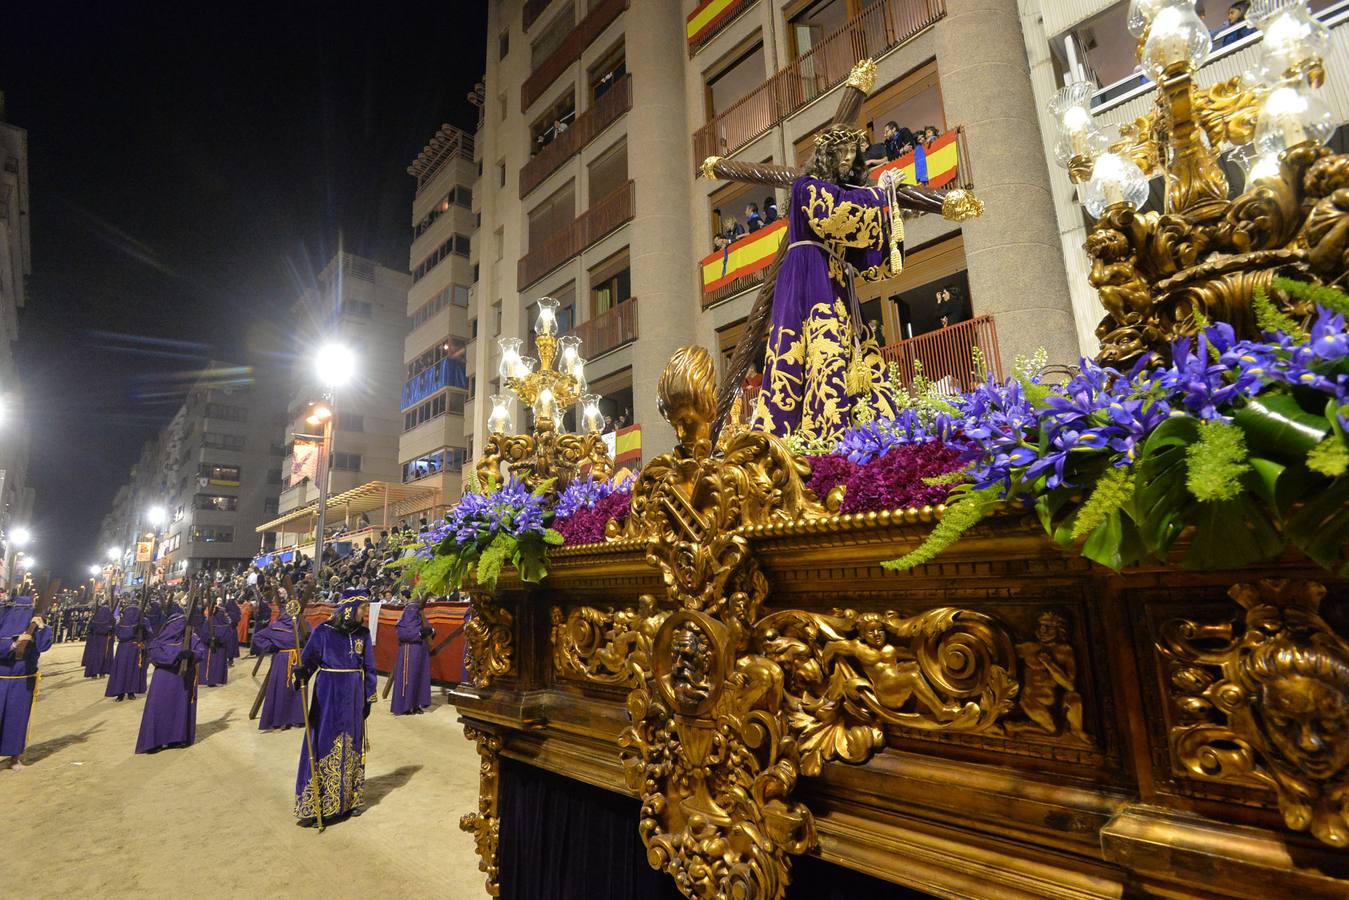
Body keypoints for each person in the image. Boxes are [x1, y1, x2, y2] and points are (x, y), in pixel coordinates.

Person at [751, 124, 902, 441]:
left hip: (836, 282)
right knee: (823, 348)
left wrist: (888, 209)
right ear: (826, 156)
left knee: (852, 349)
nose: (848, 158)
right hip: (808, 277)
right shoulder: (806, 187)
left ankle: (873, 432)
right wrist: (880, 191)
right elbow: (835, 213)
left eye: (853, 153)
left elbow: (866, 258)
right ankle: (819, 432)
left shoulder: (847, 195)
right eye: (842, 152)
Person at [291, 598, 377, 826]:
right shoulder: (323, 631)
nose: (365, 612)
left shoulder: (363, 634)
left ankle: (350, 800)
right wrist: (300, 673)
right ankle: (317, 804)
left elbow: (369, 667)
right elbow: (308, 661)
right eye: (362, 607)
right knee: (322, 741)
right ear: (349, 609)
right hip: (328, 692)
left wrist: (369, 696)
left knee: (353, 744)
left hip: (354, 695)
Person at [135, 598, 205, 753]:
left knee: (179, 708)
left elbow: (200, 652)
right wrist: (176, 656)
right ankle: (155, 741)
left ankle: (177, 737)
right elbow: (155, 654)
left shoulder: (191, 638)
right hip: (164, 678)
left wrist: (190, 655)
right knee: (159, 708)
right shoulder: (160, 640)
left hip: (183, 680)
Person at [0, 595, 52, 769]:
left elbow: (44, 645)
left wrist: (41, 626)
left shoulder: (36, 625)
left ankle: (15, 757)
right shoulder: (3, 621)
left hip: (23, 681)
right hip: (2, 678)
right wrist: (13, 645)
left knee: (17, 719)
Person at [251, 604, 307, 731]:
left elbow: (311, 637)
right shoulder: (277, 627)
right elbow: (258, 637)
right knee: (283, 689)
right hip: (283, 661)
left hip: (299, 659)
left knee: (299, 688)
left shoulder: (302, 625)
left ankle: (298, 718)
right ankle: (281, 719)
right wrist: (272, 647)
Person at [390, 598, 434, 715]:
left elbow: (430, 631)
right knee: (409, 678)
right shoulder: (401, 623)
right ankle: (405, 705)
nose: (413, 612)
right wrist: (420, 634)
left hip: (422, 653)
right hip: (409, 652)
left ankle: (416, 704)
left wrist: (431, 632)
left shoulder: (422, 621)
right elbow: (404, 635)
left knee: (420, 678)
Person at [105, 600, 147, 701]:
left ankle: (131, 691)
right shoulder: (122, 624)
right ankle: (120, 692)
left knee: (132, 670)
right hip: (124, 649)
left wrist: (142, 630)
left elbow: (148, 635)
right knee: (122, 670)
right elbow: (121, 635)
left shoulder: (141, 622)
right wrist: (134, 631)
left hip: (134, 648)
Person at [196, 600, 229, 687]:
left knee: (217, 663)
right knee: (207, 663)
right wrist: (208, 639)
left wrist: (219, 639)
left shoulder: (221, 616)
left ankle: (216, 679)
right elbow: (202, 631)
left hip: (219, 645)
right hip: (207, 645)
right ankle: (207, 680)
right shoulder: (205, 618)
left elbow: (227, 630)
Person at [82, 599, 115, 678]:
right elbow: (113, 629)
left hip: (95, 639)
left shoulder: (95, 619)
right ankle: (102, 672)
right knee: (104, 656)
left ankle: (93, 673)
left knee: (94, 656)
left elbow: (90, 628)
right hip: (105, 640)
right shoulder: (110, 619)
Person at [223, 593, 242, 664]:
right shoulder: (236, 611)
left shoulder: (227, 612)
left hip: (227, 630)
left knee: (229, 645)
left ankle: (228, 659)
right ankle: (230, 659)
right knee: (231, 645)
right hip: (232, 630)